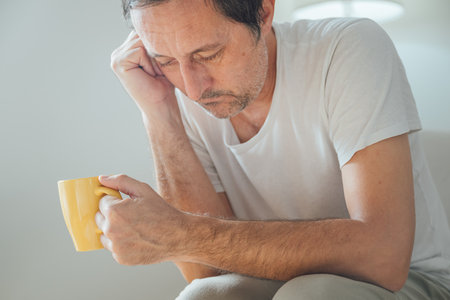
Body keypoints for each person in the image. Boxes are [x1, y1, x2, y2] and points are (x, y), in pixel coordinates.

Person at [95, 0, 450, 299]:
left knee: (308, 294)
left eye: (209, 53)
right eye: (166, 61)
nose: (192, 88)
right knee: (201, 296)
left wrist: (179, 234)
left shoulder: (347, 48)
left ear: (264, 12)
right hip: (278, 285)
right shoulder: (181, 93)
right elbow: (206, 271)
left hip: (415, 284)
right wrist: (159, 113)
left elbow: (382, 258)